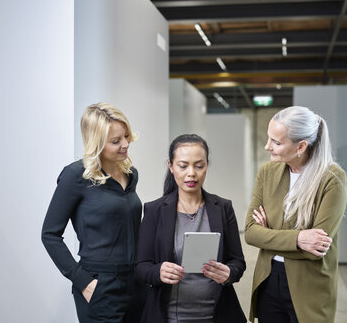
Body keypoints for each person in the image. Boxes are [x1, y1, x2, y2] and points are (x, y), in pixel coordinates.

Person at [42, 103, 144, 323]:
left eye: (126, 136)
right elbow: (49, 234)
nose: (125, 144)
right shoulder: (75, 176)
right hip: (100, 286)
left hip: (136, 283)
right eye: (116, 141)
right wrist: (83, 281)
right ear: (96, 143)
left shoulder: (130, 174)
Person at [245, 106, 347, 323]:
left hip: (310, 286)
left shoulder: (331, 179)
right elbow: (251, 233)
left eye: (277, 142)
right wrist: (299, 239)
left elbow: (316, 249)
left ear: (301, 146)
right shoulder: (267, 172)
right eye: (268, 138)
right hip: (269, 279)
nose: (267, 146)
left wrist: (269, 235)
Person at [135, 134, 246, 323]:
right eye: (183, 165)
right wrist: (158, 271)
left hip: (218, 315)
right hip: (168, 316)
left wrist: (228, 274)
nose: (191, 173)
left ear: (207, 165)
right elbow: (141, 266)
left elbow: (238, 262)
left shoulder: (223, 208)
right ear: (171, 166)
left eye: (199, 165)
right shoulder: (155, 210)